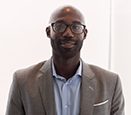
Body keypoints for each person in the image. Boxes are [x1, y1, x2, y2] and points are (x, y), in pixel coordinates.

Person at [6, 5, 124, 115]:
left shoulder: (110, 82)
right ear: (48, 32)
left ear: (85, 34)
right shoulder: (23, 81)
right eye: (60, 26)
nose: (68, 33)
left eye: (76, 27)